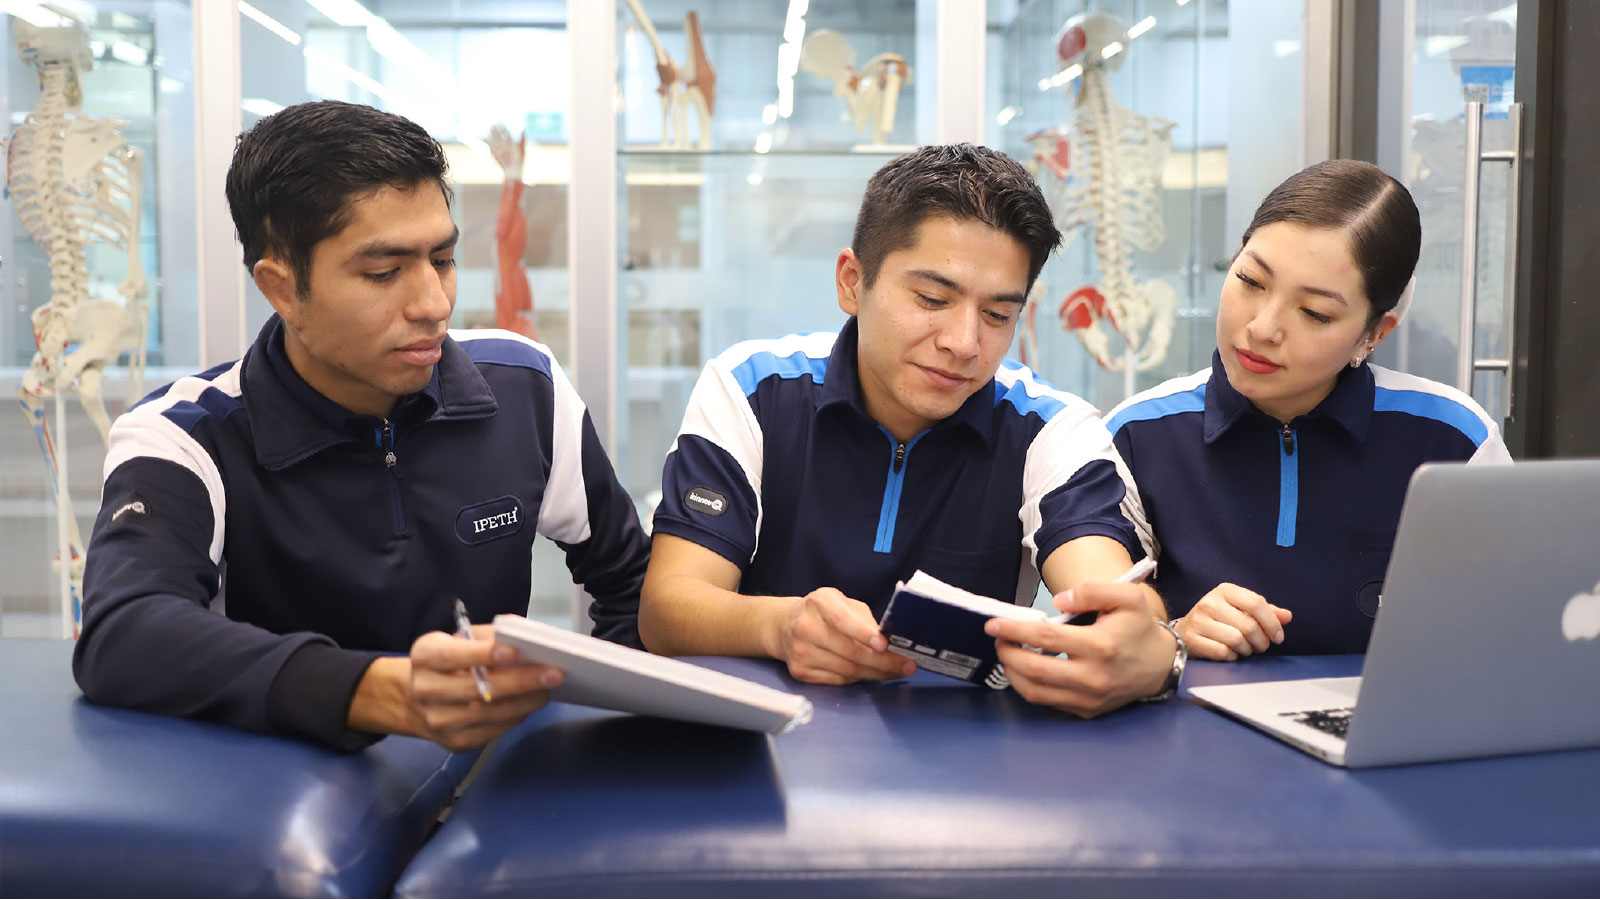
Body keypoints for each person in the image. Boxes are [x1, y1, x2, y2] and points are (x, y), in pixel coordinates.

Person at [72, 101, 650, 751]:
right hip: (294, 784)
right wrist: (381, 695)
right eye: (383, 273)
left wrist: (605, 746)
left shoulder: (525, 388)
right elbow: (125, 631)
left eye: (443, 259)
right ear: (281, 289)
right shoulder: (186, 435)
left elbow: (633, 586)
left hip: (493, 781)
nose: (433, 303)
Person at [639, 143, 1183, 716]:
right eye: (932, 299)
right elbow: (667, 608)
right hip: (760, 737)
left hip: (965, 749)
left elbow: (1111, 597)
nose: (964, 343)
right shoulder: (752, 389)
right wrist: (779, 624)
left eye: (998, 315)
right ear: (852, 282)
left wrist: (1143, 641)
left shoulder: (1051, 430)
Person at [1105, 159, 1510, 660]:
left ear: (1374, 334)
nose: (1262, 328)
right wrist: (1172, 635)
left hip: (1388, 712)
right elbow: (1102, 623)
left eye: (1315, 313)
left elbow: (1509, 633)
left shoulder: (1453, 441)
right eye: (1251, 280)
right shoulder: (1138, 436)